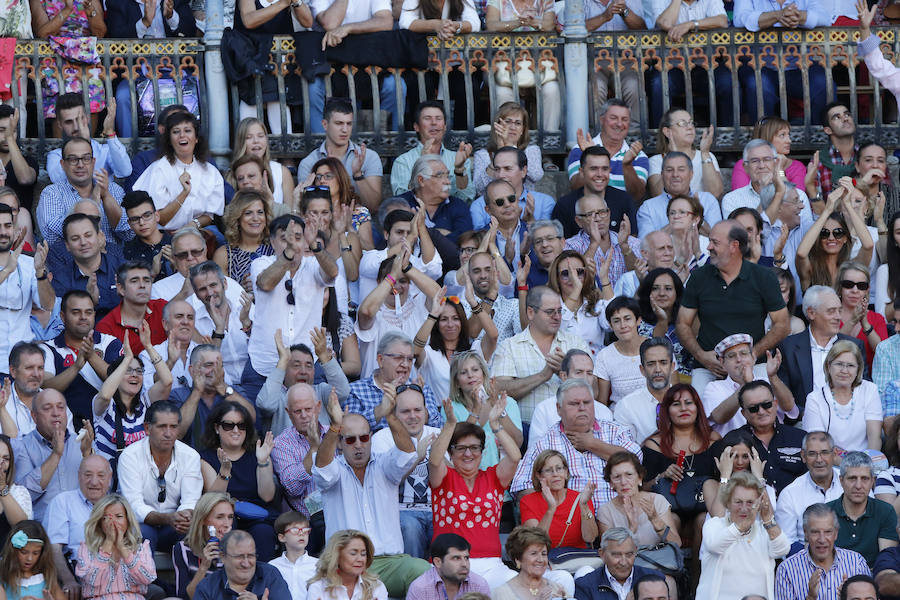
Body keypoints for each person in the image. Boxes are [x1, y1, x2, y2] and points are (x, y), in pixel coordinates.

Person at [313, 388, 430, 597]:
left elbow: (407, 453)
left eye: (364, 438)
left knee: (425, 574)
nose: (358, 445)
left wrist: (390, 416)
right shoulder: (335, 467)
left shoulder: (384, 463)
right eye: (350, 440)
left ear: (371, 438)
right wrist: (334, 427)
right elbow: (321, 468)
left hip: (391, 563)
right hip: (344, 564)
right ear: (339, 443)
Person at [675, 219, 790, 397]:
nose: (709, 247)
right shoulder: (699, 277)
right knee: (700, 413)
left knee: (763, 405)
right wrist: (701, 356)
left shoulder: (763, 277)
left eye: (715, 242)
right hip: (709, 365)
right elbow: (682, 323)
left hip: (753, 363)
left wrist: (753, 355)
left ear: (734, 246)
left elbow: (782, 324)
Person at [429, 398, 524, 589]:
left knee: (521, 592)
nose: (468, 454)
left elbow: (515, 456)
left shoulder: (493, 477)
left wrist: (495, 425)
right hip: (450, 565)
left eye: (474, 448)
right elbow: (434, 461)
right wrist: (450, 425)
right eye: (460, 448)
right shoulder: (444, 477)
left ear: (482, 450)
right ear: (451, 452)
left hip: (493, 566)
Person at [244, 214, 338, 402]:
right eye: (285, 238)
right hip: (264, 364)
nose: (293, 244)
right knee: (259, 426)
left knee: (310, 422)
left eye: (297, 237)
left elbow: (333, 272)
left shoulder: (313, 264)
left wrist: (315, 246)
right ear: (272, 242)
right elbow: (266, 283)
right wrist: (287, 253)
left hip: (307, 365)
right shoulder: (261, 263)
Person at [512, 378, 641, 508]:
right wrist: (556, 511)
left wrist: (592, 444)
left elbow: (637, 459)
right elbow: (522, 487)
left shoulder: (614, 431)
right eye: (574, 404)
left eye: (587, 402)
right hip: (570, 522)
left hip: (620, 517)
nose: (582, 408)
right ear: (559, 408)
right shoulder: (545, 443)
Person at [492, 286, 591, 425]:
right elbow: (499, 389)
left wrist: (566, 372)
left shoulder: (576, 343)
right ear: (531, 313)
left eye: (559, 311)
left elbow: (594, 391)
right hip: (525, 428)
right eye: (550, 312)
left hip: (572, 428)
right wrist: (543, 376)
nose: (557, 317)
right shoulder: (509, 346)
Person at [307, 0, 405, 135]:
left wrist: (348, 28)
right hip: (332, 65)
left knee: (396, 86)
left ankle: (386, 146)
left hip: (368, 63)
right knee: (313, 88)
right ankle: (322, 150)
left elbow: (385, 21)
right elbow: (330, 23)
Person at [117, 400, 202, 552]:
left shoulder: (190, 456)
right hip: (141, 525)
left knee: (193, 531)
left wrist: (182, 518)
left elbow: (191, 501)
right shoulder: (129, 456)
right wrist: (168, 518)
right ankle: (145, 576)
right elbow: (134, 507)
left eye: (173, 427)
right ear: (147, 428)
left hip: (175, 525)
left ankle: (192, 576)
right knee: (141, 533)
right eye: (162, 427)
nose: (168, 433)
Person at [369, 382, 441, 560]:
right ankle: (414, 582)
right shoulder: (382, 438)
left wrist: (437, 457)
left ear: (426, 411)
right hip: (400, 511)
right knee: (410, 528)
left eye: (417, 410)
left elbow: (452, 480)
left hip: (437, 509)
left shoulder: (438, 434)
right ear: (394, 414)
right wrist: (418, 456)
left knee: (444, 526)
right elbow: (385, 482)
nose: (413, 416)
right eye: (405, 411)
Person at [198, 401, 277, 561]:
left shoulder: (259, 453)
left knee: (264, 532)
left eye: (241, 426)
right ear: (216, 428)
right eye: (228, 425)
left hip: (256, 516)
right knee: (226, 527)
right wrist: (225, 471)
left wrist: (262, 461)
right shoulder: (205, 457)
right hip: (224, 516)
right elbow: (213, 501)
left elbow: (267, 496)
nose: (236, 430)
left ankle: (261, 580)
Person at [695, 471, 790, 600]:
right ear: (728, 502)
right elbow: (715, 545)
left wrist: (768, 519)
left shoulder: (763, 530)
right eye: (738, 502)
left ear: (759, 503)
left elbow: (782, 549)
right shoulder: (714, 525)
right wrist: (743, 525)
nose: (744, 508)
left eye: (750, 502)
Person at [734, 0, 828, 126]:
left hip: (799, 66)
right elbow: (741, 19)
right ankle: (763, 139)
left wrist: (799, 16)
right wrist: (778, 15)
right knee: (758, 86)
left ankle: (821, 137)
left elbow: (825, 18)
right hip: (761, 65)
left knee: (823, 83)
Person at [92, 327, 172, 467]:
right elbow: (105, 395)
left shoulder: (145, 402)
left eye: (138, 371)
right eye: (128, 371)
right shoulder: (106, 404)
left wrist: (148, 346)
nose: (134, 375)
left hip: (139, 477)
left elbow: (167, 381)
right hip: (108, 480)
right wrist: (128, 358)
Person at [778, 286, 867, 411]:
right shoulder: (788, 347)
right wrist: (804, 415)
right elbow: (783, 393)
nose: (838, 317)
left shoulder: (855, 346)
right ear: (811, 313)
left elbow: (863, 390)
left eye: (839, 311)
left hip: (846, 417)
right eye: (831, 311)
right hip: (803, 421)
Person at [132, 112, 224, 232]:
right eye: (176, 132)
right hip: (164, 235)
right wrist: (184, 193)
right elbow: (160, 219)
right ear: (169, 140)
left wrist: (193, 225)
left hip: (198, 231)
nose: (182, 135)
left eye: (187, 130)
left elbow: (210, 215)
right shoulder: (159, 169)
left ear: (196, 138)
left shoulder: (210, 171)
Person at [645, 1, 732, 128]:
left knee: (727, 81)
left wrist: (691, 25)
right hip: (672, 66)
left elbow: (722, 21)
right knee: (660, 84)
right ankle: (662, 139)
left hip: (707, 64)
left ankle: (727, 135)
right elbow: (666, 23)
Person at [12, 390, 93, 522]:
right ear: (34, 416)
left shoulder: (82, 442)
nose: (56, 413)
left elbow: (104, 488)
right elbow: (24, 496)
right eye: (47, 408)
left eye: (61, 407)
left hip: (83, 527)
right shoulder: (23, 446)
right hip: (44, 531)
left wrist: (87, 454)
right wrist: (56, 454)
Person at [716, 381, 807, 495]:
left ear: (775, 404)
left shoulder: (800, 438)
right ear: (744, 413)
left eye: (766, 405)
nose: (761, 411)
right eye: (753, 408)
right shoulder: (733, 441)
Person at [257, 329, 350, 438]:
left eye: (309, 366)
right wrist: (282, 361)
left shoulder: (321, 391)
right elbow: (265, 404)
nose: (303, 371)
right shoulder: (277, 395)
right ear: (284, 370)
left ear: (314, 371)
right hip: (287, 454)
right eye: (296, 365)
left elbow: (343, 392)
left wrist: (324, 357)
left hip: (322, 452)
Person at [43, 454, 111, 599]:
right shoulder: (63, 501)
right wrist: (69, 580)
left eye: (101, 475)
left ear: (109, 477)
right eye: (88, 475)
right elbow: (53, 549)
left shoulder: (117, 505)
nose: (94, 482)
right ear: (79, 476)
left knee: (156, 592)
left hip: (114, 572)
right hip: (79, 572)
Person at [703, 333, 796, 437]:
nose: (739, 359)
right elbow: (718, 418)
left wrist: (773, 376)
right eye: (731, 356)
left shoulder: (769, 381)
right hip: (734, 448)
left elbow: (789, 408)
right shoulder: (714, 388)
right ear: (722, 362)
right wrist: (745, 385)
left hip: (771, 445)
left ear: (753, 358)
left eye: (743, 353)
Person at [775, 503, 872, 600]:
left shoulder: (856, 563)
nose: (822, 539)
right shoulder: (787, 569)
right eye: (815, 532)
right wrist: (810, 598)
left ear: (836, 533)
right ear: (805, 533)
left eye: (828, 532)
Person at [297, 100, 382, 210]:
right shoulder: (308, 163)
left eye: (349, 124)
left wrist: (357, 175)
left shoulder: (369, 157)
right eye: (339, 123)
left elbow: (373, 206)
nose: (345, 130)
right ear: (325, 124)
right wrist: (333, 171)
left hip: (359, 222)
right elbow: (307, 208)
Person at [803, 341, 882, 453]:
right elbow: (818, 445)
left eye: (850, 366)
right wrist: (850, 465)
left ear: (858, 370)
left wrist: (865, 465)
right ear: (828, 366)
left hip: (865, 463)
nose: (844, 371)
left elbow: (874, 438)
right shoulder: (814, 399)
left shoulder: (870, 390)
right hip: (829, 464)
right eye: (839, 364)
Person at [0, 205, 52, 375]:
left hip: (23, 364)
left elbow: (48, 304)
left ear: (14, 230)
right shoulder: (15, 264)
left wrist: (40, 274)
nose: (3, 232)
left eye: (8, 226)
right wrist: (7, 270)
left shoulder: (28, 264)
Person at [528, 349, 614, 451]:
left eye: (589, 373)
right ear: (563, 376)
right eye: (579, 372)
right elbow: (535, 454)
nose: (585, 379)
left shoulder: (604, 411)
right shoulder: (544, 409)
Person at [75, 494, 157, 600]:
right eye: (106, 518)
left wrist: (123, 549)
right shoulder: (86, 549)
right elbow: (93, 581)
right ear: (100, 523)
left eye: (119, 516)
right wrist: (108, 544)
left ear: (127, 520)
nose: (113, 522)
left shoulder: (140, 548)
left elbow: (148, 578)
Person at [171, 345, 256, 446]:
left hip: (229, 457)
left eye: (219, 365)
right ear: (192, 370)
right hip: (193, 458)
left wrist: (222, 387)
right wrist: (197, 391)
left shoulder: (234, 391)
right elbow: (176, 433)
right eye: (209, 365)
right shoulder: (178, 395)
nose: (215, 371)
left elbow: (251, 419)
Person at [565, 99, 648, 202]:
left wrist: (627, 166)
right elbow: (576, 188)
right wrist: (589, 155)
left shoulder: (638, 156)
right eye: (613, 118)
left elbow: (637, 196)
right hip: (589, 213)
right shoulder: (579, 149)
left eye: (624, 119)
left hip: (622, 214)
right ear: (601, 120)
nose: (619, 124)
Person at [796, 183, 874, 292]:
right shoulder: (811, 269)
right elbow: (801, 253)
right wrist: (827, 210)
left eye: (838, 233)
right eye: (824, 233)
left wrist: (847, 204)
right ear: (818, 238)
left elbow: (868, 246)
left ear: (845, 238)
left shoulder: (851, 267)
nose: (831, 238)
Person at [391, 101, 475, 201]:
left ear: (445, 126)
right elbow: (403, 200)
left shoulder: (458, 158)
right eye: (427, 118)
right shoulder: (403, 161)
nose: (434, 123)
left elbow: (467, 199)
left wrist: (459, 170)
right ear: (416, 127)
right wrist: (422, 164)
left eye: (438, 118)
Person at [828, 451, 899, 566]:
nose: (858, 486)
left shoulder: (885, 511)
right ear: (841, 481)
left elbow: (886, 559)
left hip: (873, 577)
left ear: (872, 481)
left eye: (864, 479)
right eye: (852, 478)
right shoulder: (826, 512)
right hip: (834, 576)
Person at [49, 213, 125, 320]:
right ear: (67, 245)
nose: (83, 242)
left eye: (88, 235)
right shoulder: (61, 279)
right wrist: (90, 302)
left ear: (99, 237)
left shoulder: (123, 268)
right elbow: (61, 322)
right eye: (75, 238)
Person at [552, 145, 638, 240]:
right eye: (593, 169)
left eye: (604, 169)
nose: (600, 174)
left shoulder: (623, 200)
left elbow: (632, 241)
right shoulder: (565, 205)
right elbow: (560, 246)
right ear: (581, 172)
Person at [775, 431, 844, 548]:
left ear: (835, 454)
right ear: (803, 456)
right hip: (806, 560)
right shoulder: (790, 493)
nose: (819, 459)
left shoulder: (851, 483)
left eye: (825, 453)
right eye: (812, 454)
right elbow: (787, 543)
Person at [519, 449, 599, 549]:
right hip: (544, 560)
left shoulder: (581, 498)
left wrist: (584, 506)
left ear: (566, 473)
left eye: (559, 469)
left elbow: (590, 538)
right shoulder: (528, 501)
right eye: (548, 470)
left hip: (577, 559)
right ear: (539, 475)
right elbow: (536, 543)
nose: (555, 474)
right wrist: (551, 509)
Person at [597, 451, 680, 546]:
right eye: (617, 477)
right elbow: (609, 552)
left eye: (629, 475)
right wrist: (631, 529)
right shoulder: (605, 511)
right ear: (611, 483)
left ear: (640, 478)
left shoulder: (657, 501)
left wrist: (655, 520)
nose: (623, 482)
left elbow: (677, 544)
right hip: (625, 561)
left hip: (657, 559)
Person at [44, 94, 130, 185]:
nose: (76, 127)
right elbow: (58, 180)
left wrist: (110, 133)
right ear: (60, 125)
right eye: (69, 122)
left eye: (79, 120)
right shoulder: (55, 157)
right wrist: (84, 143)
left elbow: (125, 171)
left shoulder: (105, 150)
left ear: (87, 118)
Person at [721, 140, 813, 223]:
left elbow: (806, 233)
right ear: (745, 167)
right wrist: (764, 195)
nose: (761, 166)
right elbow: (740, 236)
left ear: (776, 163)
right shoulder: (732, 200)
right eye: (754, 161)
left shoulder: (799, 196)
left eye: (767, 159)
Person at [565, 193, 641, 291]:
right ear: (579, 221)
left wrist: (625, 246)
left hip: (626, 304)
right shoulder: (570, 246)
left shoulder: (632, 243)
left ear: (609, 213)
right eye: (590, 214)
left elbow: (638, 278)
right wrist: (594, 244)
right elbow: (574, 280)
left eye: (602, 212)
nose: (598, 218)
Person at [639, 151, 724, 238]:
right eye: (669, 170)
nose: (675, 174)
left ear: (691, 174)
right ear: (662, 175)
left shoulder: (708, 200)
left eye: (681, 169)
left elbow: (719, 240)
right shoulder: (648, 207)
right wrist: (676, 222)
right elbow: (644, 246)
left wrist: (697, 216)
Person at [548, 249, 611, 359]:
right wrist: (577, 288)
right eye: (566, 273)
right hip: (563, 369)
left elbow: (610, 324)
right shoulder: (548, 304)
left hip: (595, 369)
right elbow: (556, 328)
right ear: (556, 278)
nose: (574, 278)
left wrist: (604, 279)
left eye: (579, 272)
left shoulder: (595, 302)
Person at [193, 529, 291, 600]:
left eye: (251, 556)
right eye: (239, 556)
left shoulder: (270, 575)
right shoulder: (207, 587)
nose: (246, 563)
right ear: (223, 557)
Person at [171, 492, 234, 600]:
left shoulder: (238, 548)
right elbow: (184, 596)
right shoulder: (183, 549)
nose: (227, 523)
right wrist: (204, 567)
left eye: (230, 517)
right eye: (220, 517)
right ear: (203, 519)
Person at [647, 109, 723, 199]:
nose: (690, 127)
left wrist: (705, 153)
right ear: (667, 132)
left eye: (691, 123)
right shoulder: (656, 161)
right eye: (682, 124)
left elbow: (715, 193)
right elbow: (658, 195)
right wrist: (674, 157)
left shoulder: (706, 156)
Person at [614, 337, 676, 447]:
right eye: (651, 364)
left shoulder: (686, 401)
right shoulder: (627, 406)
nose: (658, 369)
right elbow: (626, 451)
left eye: (663, 363)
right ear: (642, 370)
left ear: (672, 367)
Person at [472, 103, 544, 197]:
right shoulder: (483, 155)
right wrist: (499, 154)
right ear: (497, 126)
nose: (512, 127)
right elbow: (478, 188)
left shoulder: (531, 150)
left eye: (518, 123)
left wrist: (509, 146)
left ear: (522, 129)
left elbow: (536, 175)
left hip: (523, 205)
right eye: (508, 122)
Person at [572, 527, 665, 600]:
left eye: (629, 554)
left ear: (636, 551)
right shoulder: (585, 585)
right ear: (602, 554)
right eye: (616, 555)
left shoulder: (655, 579)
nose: (623, 562)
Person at [404, 155, 474, 247]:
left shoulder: (458, 206)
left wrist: (422, 232)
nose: (448, 182)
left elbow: (465, 242)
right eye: (439, 176)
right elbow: (398, 241)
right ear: (421, 180)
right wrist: (441, 234)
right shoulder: (402, 204)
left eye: (447, 176)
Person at [213, 189, 274, 291]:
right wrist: (240, 289)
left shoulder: (275, 248)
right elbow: (221, 295)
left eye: (260, 212)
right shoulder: (224, 254)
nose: (255, 218)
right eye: (248, 213)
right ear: (237, 219)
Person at [635, 267, 691, 376]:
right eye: (655, 288)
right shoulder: (638, 321)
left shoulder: (687, 319)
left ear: (677, 292)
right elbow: (647, 354)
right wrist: (662, 320)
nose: (662, 293)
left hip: (687, 382)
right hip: (651, 380)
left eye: (668, 288)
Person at [594, 296, 648, 406]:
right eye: (616, 321)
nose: (623, 325)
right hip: (619, 418)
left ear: (638, 320)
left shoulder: (657, 349)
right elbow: (602, 403)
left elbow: (672, 391)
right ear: (610, 325)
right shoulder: (604, 356)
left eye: (627, 319)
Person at [229, 118, 295, 208]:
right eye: (249, 137)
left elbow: (290, 212)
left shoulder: (282, 172)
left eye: (260, 136)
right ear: (241, 142)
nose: (256, 141)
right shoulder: (231, 175)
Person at [305, 529, 387, 600]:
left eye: (363, 554)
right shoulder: (318, 588)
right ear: (336, 556)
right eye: (353, 553)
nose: (360, 559)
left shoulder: (376, 586)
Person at [406, 533, 491, 600]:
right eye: (456, 558)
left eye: (466, 558)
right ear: (438, 562)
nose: (464, 564)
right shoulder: (420, 588)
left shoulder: (479, 585)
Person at [837, 261, 888, 370]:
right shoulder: (830, 315)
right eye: (848, 285)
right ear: (840, 287)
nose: (855, 290)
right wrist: (852, 322)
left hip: (869, 381)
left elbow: (884, 354)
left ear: (867, 290)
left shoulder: (877, 319)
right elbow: (830, 349)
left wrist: (865, 324)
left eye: (861, 286)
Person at [493, 526, 569, 600]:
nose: (541, 559)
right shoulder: (501, 593)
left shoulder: (557, 588)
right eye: (534, 553)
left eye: (544, 554)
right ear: (518, 559)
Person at [732, 116, 807, 190]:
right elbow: (740, 198)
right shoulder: (745, 165)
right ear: (767, 138)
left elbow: (796, 199)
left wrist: (780, 170)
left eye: (788, 135)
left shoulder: (797, 167)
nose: (789, 140)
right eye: (782, 135)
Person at [0, 520, 64, 600]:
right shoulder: (3, 576)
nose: (29, 558)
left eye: (35, 553)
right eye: (24, 552)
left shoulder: (47, 577)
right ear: (13, 551)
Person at [121, 192, 174, 280]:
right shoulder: (126, 252)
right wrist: (152, 274)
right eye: (135, 219)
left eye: (147, 215)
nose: (141, 223)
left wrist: (180, 266)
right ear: (129, 224)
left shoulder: (177, 243)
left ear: (157, 216)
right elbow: (131, 291)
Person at [268, 511, 317, 600]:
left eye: (305, 530)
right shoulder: (272, 566)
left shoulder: (319, 565)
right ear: (282, 537)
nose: (301, 533)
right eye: (295, 530)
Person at [0, 107, 37, 213]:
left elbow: (26, 179)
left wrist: (10, 139)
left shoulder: (29, 161)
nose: (7, 135)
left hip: (19, 223)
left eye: (13, 130)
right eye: (2, 131)